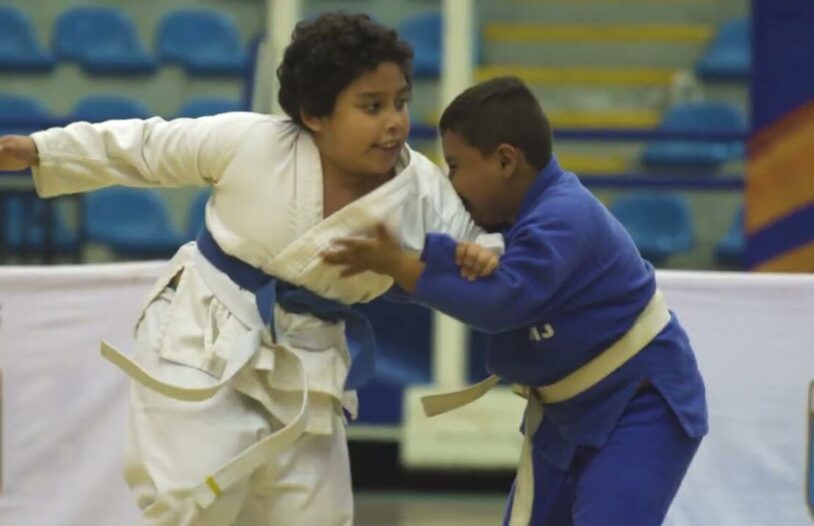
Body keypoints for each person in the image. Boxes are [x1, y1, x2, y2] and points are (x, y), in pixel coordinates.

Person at [0, 13, 501, 526]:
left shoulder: (419, 186)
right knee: (190, 500)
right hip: (204, 335)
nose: (394, 121)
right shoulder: (253, 143)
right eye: (371, 107)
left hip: (309, 359)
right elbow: (144, 147)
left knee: (315, 516)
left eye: (400, 101)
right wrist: (42, 150)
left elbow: (474, 234)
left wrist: (486, 250)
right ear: (314, 114)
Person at [323, 76, 708, 526]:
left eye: (457, 166)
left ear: (506, 160)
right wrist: (376, 267)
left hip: (641, 404)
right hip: (565, 415)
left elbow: (503, 303)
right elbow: (457, 276)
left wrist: (398, 263)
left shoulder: (566, 214)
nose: (453, 183)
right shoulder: (505, 225)